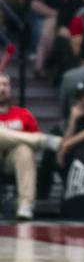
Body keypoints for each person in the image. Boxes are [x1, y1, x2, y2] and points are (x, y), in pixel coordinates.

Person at [0, 73, 60, 219]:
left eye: (5, 85)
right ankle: (43, 140)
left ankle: (25, 205)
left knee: (25, 150)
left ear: (10, 88)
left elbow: (33, 149)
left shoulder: (23, 114)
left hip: (12, 161)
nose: (2, 89)